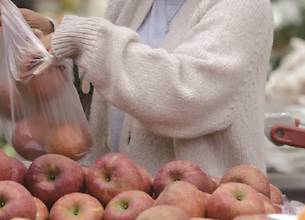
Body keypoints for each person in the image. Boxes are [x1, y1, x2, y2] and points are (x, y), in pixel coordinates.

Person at [18, 0, 273, 176]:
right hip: (121, 201)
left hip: (204, 211)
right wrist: (55, 38)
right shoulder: (132, 3)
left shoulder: (241, 5)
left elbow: (187, 94)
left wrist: (85, 40)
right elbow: (119, 76)